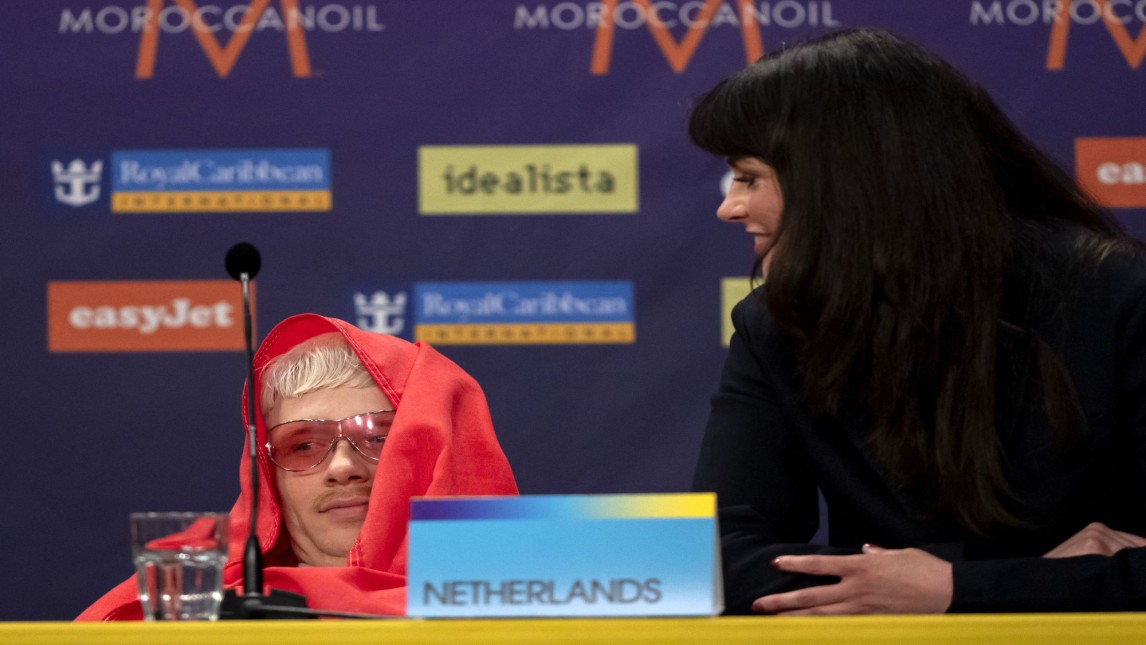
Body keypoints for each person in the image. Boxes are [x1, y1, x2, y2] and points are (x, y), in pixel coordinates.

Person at [689, 28, 1146, 615]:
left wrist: (956, 587)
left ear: (844, 179)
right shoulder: (776, 323)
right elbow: (718, 558)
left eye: (749, 178)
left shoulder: (1120, 297)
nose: (729, 206)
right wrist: (978, 580)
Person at [78, 313, 518, 619]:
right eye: (303, 446)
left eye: (382, 438)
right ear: (269, 484)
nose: (342, 467)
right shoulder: (193, 617)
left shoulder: (548, 602)